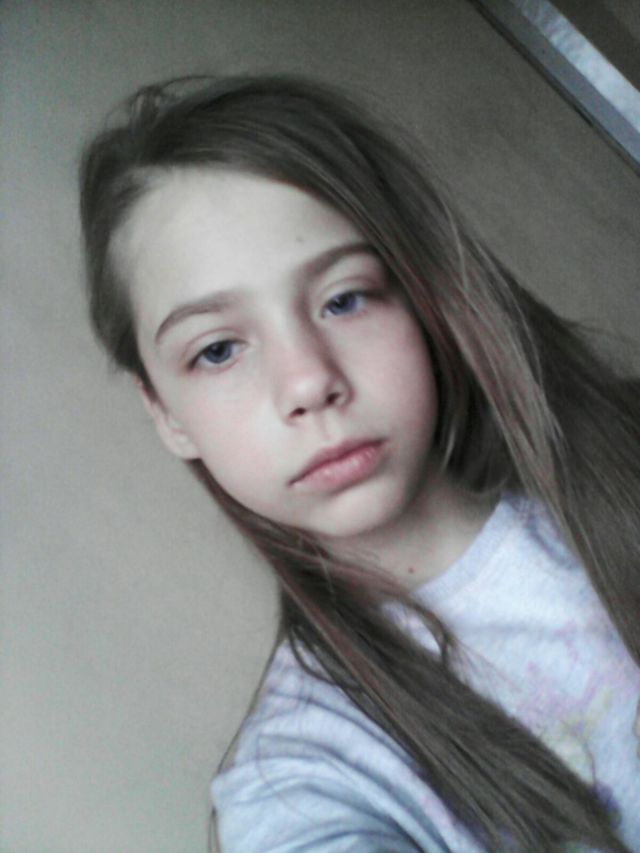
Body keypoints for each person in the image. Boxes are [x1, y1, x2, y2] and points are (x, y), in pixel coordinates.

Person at [79, 75, 639, 852]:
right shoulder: (299, 780)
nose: (308, 381)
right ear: (167, 414)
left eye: (345, 298)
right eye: (218, 349)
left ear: (425, 295)